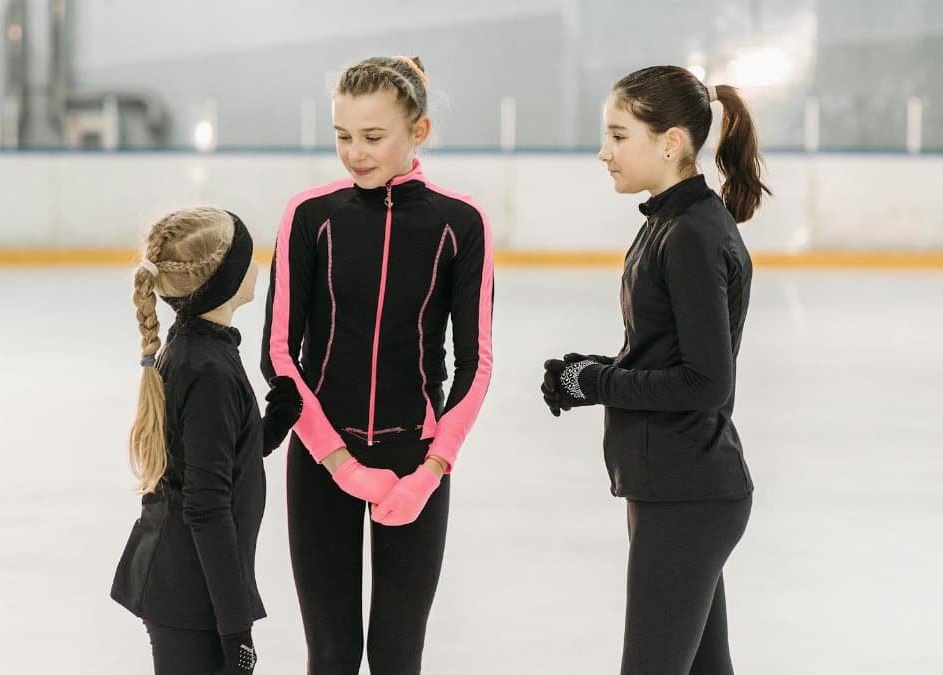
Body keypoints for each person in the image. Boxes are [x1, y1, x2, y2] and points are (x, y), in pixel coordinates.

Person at [261, 56, 494, 674]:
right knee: (332, 655)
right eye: (342, 136)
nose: (355, 153)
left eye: (372, 137)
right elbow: (280, 354)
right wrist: (339, 461)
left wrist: (432, 468)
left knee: (397, 655)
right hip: (320, 458)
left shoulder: (459, 222)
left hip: (415, 459)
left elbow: (476, 362)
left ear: (417, 131)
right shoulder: (311, 215)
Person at [541, 65, 770, 674]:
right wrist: (593, 370)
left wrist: (595, 383)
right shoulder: (672, 223)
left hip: (688, 490)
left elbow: (705, 382)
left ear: (669, 142)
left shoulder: (690, 233)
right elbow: (668, 355)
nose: (604, 153)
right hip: (679, 484)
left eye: (619, 136)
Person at [110, 207, 301, 675]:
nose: (257, 264)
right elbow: (206, 504)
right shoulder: (208, 369)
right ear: (225, 277)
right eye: (247, 256)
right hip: (192, 599)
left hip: (187, 587)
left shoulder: (200, 348)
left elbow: (212, 456)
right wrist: (236, 630)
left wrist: (272, 424)